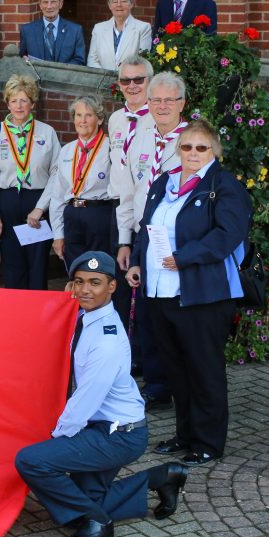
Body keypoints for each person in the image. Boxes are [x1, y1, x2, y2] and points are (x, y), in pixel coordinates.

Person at [15, 250, 191, 537]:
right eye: (79, 282)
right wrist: (63, 301)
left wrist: (57, 437)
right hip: (105, 427)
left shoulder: (106, 339)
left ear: (112, 286)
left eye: (95, 282)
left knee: (32, 460)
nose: (85, 290)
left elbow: (86, 399)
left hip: (118, 435)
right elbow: (47, 332)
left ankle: (97, 523)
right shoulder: (83, 315)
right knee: (87, 496)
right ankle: (162, 477)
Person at [127, 119, 251, 466]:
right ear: (177, 149)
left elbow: (228, 235)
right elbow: (146, 228)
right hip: (161, 292)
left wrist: (184, 258)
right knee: (176, 369)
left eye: (201, 148)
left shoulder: (225, 186)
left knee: (203, 370)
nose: (193, 154)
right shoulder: (164, 182)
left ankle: (208, 442)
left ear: (214, 151)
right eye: (186, 147)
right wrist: (138, 262)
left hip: (203, 295)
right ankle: (185, 434)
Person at [112, 70, 188, 412]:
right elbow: (128, 193)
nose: (161, 106)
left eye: (168, 100)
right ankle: (157, 387)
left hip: (178, 238)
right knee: (147, 313)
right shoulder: (140, 139)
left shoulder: (193, 141)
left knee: (177, 311)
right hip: (144, 236)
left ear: (182, 103)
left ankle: (183, 382)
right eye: (155, 99)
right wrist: (125, 240)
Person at [0, 74, 60, 290]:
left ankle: (38, 319)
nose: (18, 105)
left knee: (37, 266)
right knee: (12, 268)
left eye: (24, 100)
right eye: (13, 100)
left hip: (37, 203)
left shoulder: (47, 132)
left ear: (32, 103)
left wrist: (40, 208)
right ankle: (17, 317)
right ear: (7, 102)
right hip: (7, 204)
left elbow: (57, 174)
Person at [105, 54, 154, 332]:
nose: (132, 85)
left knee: (146, 283)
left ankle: (146, 350)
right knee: (121, 282)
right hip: (119, 211)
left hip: (147, 213)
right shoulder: (115, 120)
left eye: (138, 80)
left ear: (149, 82)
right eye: (126, 80)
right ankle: (125, 346)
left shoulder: (159, 119)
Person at [43, 95, 115, 271]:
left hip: (99, 214)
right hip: (72, 215)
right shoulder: (67, 150)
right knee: (76, 269)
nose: (82, 121)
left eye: (89, 115)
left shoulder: (110, 148)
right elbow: (58, 195)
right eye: (78, 115)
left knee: (99, 270)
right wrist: (58, 235)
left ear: (99, 119)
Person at [87, 0, 152, 71]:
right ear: (109, 5)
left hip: (130, 82)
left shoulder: (143, 28)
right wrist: (106, 79)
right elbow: (92, 60)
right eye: (114, 1)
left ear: (132, 3)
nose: (119, 5)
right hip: (102, 82)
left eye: (124, 0)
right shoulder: (98, 29)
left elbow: (142, 62)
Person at [19, 0, 86, 65]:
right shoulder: (27, 31)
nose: (49, 6)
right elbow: (21, 57)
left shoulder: (75, 30)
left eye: (53, 2)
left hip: (65, 77)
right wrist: (23, 60)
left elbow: (80, 60)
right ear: (40, 5)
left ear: (61, 4)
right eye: (45, 2)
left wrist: (60, 72)